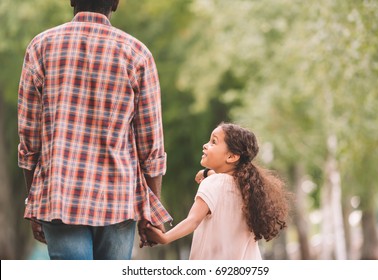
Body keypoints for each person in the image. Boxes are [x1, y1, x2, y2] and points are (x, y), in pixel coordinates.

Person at [17, 0, 171, 260]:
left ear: (71, 1)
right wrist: (151, 210)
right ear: (116, 3)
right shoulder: (136, 53)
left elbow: (29, 140)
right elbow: (151, 145)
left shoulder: (40, 47)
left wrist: (34, 202)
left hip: (60, 199)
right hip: (119, 201)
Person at [146, 122, 291, 259]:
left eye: (213, 142)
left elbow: (193, 220)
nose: (205, 145)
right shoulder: (249, 190)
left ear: (231, 156)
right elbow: (225, 182)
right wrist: (207, 173)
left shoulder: (212, 184)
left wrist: (165, 238)